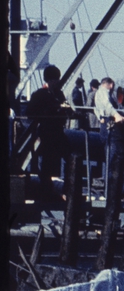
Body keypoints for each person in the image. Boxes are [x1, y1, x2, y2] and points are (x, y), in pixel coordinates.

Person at [26, 64, 71, 203]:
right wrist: (52, 110)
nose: (57, 82)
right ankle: (46, 192)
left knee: (69, 157)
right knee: (46, 164)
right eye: (55, 79)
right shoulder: (39, 95)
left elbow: (67, 108)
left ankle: (66, 189)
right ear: (49, 80)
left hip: (57, 132)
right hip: (46, 133)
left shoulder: (58, 94)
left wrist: (65, 110)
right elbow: (30, 113)